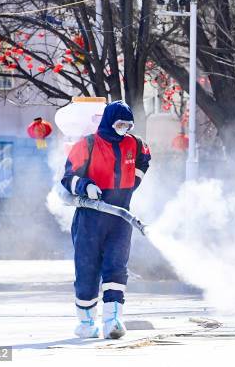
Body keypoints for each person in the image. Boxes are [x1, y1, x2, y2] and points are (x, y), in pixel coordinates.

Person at [61, 101, 151, 339]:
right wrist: (85, 186)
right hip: (90, 218)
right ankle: (87, 322)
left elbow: (144, 160)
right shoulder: (88, 144)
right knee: (87, 269)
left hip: (120, 219)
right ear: (109, 121)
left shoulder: (136, 144)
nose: (124, 128)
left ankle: (113, 320)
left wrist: (134, 182)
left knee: (117, 268)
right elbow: (67, 177)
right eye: (120, 124)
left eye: (128, 125)